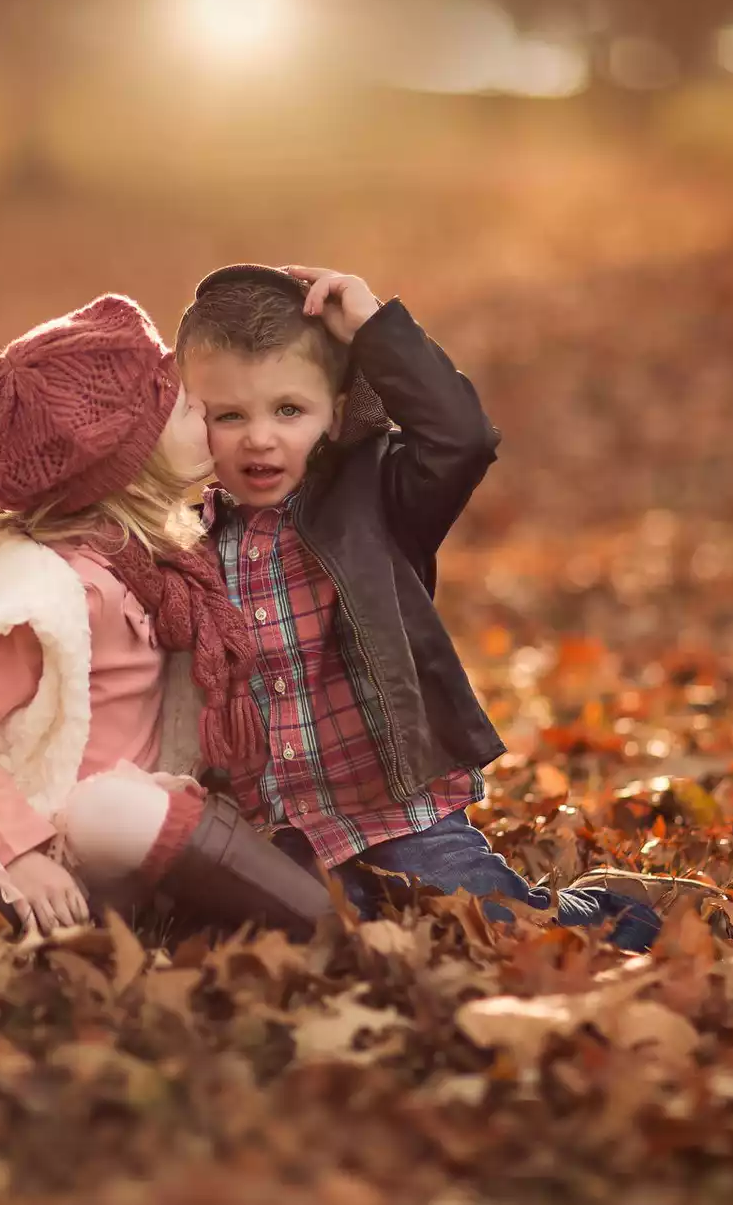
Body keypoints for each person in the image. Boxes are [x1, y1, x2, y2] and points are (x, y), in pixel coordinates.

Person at [176, 264, 661, 951]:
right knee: (313, 940)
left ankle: (615, 913)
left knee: (491, 927)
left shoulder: (375, 496)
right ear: (194, 421)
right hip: (276, 827)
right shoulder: (184, 537)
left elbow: (462, 439)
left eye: (289, 410)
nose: (261, 438)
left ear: (336, 411)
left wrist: (376, 330)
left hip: (397, 811)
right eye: (231, 416)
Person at [0, 294, 331, 940]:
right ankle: (14, 920)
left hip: (120, 837)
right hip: (27, 835)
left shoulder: (170, 562)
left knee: (111, 811)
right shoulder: (59, 591)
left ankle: (315, 919)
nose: (202, 404)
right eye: (181, 404)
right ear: (128, 461)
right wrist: (24, 852)